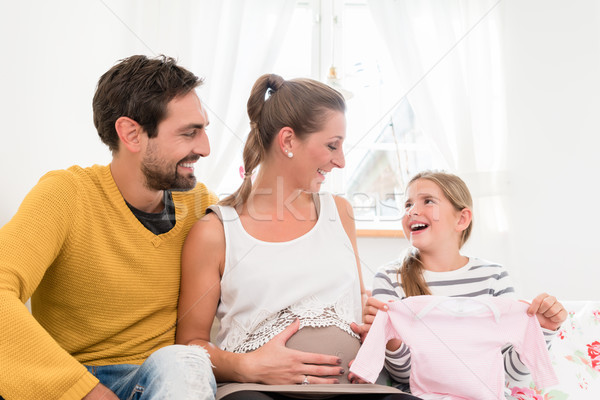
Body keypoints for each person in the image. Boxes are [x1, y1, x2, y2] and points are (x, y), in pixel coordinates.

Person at [176, 73, 420, 400]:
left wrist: (378, 324)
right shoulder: (216, 231)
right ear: (288, 141)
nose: (341, 161)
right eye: (332, 145)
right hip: (255, 392)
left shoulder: (341, 213)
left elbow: (355, 303)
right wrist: (248, 367)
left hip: (348, 390)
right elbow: (189, 345)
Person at [0, 55, 218, 400]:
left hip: (162, 380)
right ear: (131, 134)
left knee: (184, 362)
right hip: (76, 381)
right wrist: (82, 391)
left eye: (205, 130)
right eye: (189, 133)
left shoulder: (199, 204)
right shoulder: (66, 194)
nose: (205, 148)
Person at [362, 170, 567, 394]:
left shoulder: (494, 278)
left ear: (461, 219)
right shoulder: (389, 278)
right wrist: (389, 340)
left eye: (428, 201)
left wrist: (543, 330)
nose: (412, 211)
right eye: (407, 204)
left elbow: (509, 376)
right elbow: (403, 375)